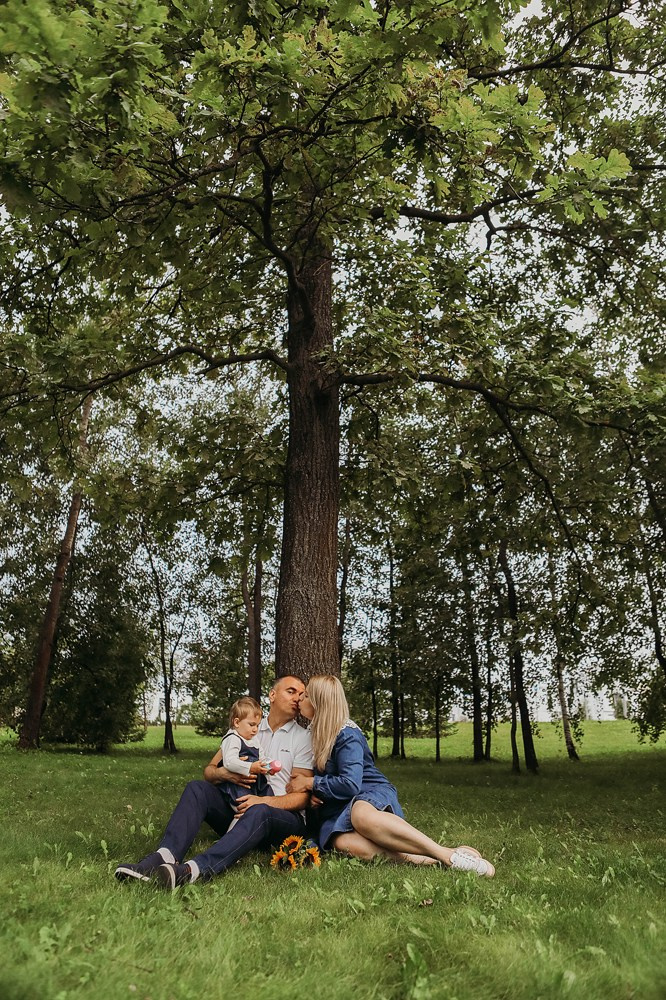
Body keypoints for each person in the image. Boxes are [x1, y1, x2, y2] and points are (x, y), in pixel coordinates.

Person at [114, 675, 313, 890]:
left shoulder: (303, 738)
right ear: (272, 695)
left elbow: (303, 798)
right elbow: (209, 771)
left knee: (259, 811)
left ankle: (192, 871)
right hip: (239, 809)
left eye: (301, 694)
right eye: (291, 691)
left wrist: (262, 801)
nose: (297, 698)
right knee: (197, 788)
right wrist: (225, 775)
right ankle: (162, 857)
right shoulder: (247, 726)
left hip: (280, 818)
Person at [289, 675, 495, 876]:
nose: (300, 699)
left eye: (306, 696)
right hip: (338, 806)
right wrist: (314, 793)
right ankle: (437, 858)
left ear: (319, 702)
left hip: (367, 794)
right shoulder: (313, 732)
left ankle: (447, 855)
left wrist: (312, 782)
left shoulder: (346, 733)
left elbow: (350, 784)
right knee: (343, 843)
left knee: (361, 815)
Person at [218, 696, 275, 822]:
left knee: (269, 800)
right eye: (251, 725)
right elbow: (229, 762)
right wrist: (250, 767)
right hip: (238, 784)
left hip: (256, 784)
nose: (255, 729)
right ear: (237, 722)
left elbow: (262, 757)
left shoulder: (253, 739)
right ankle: (233, 835)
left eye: (258, 725)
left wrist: (268, 766)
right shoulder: (232, 738)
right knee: (244, 810)